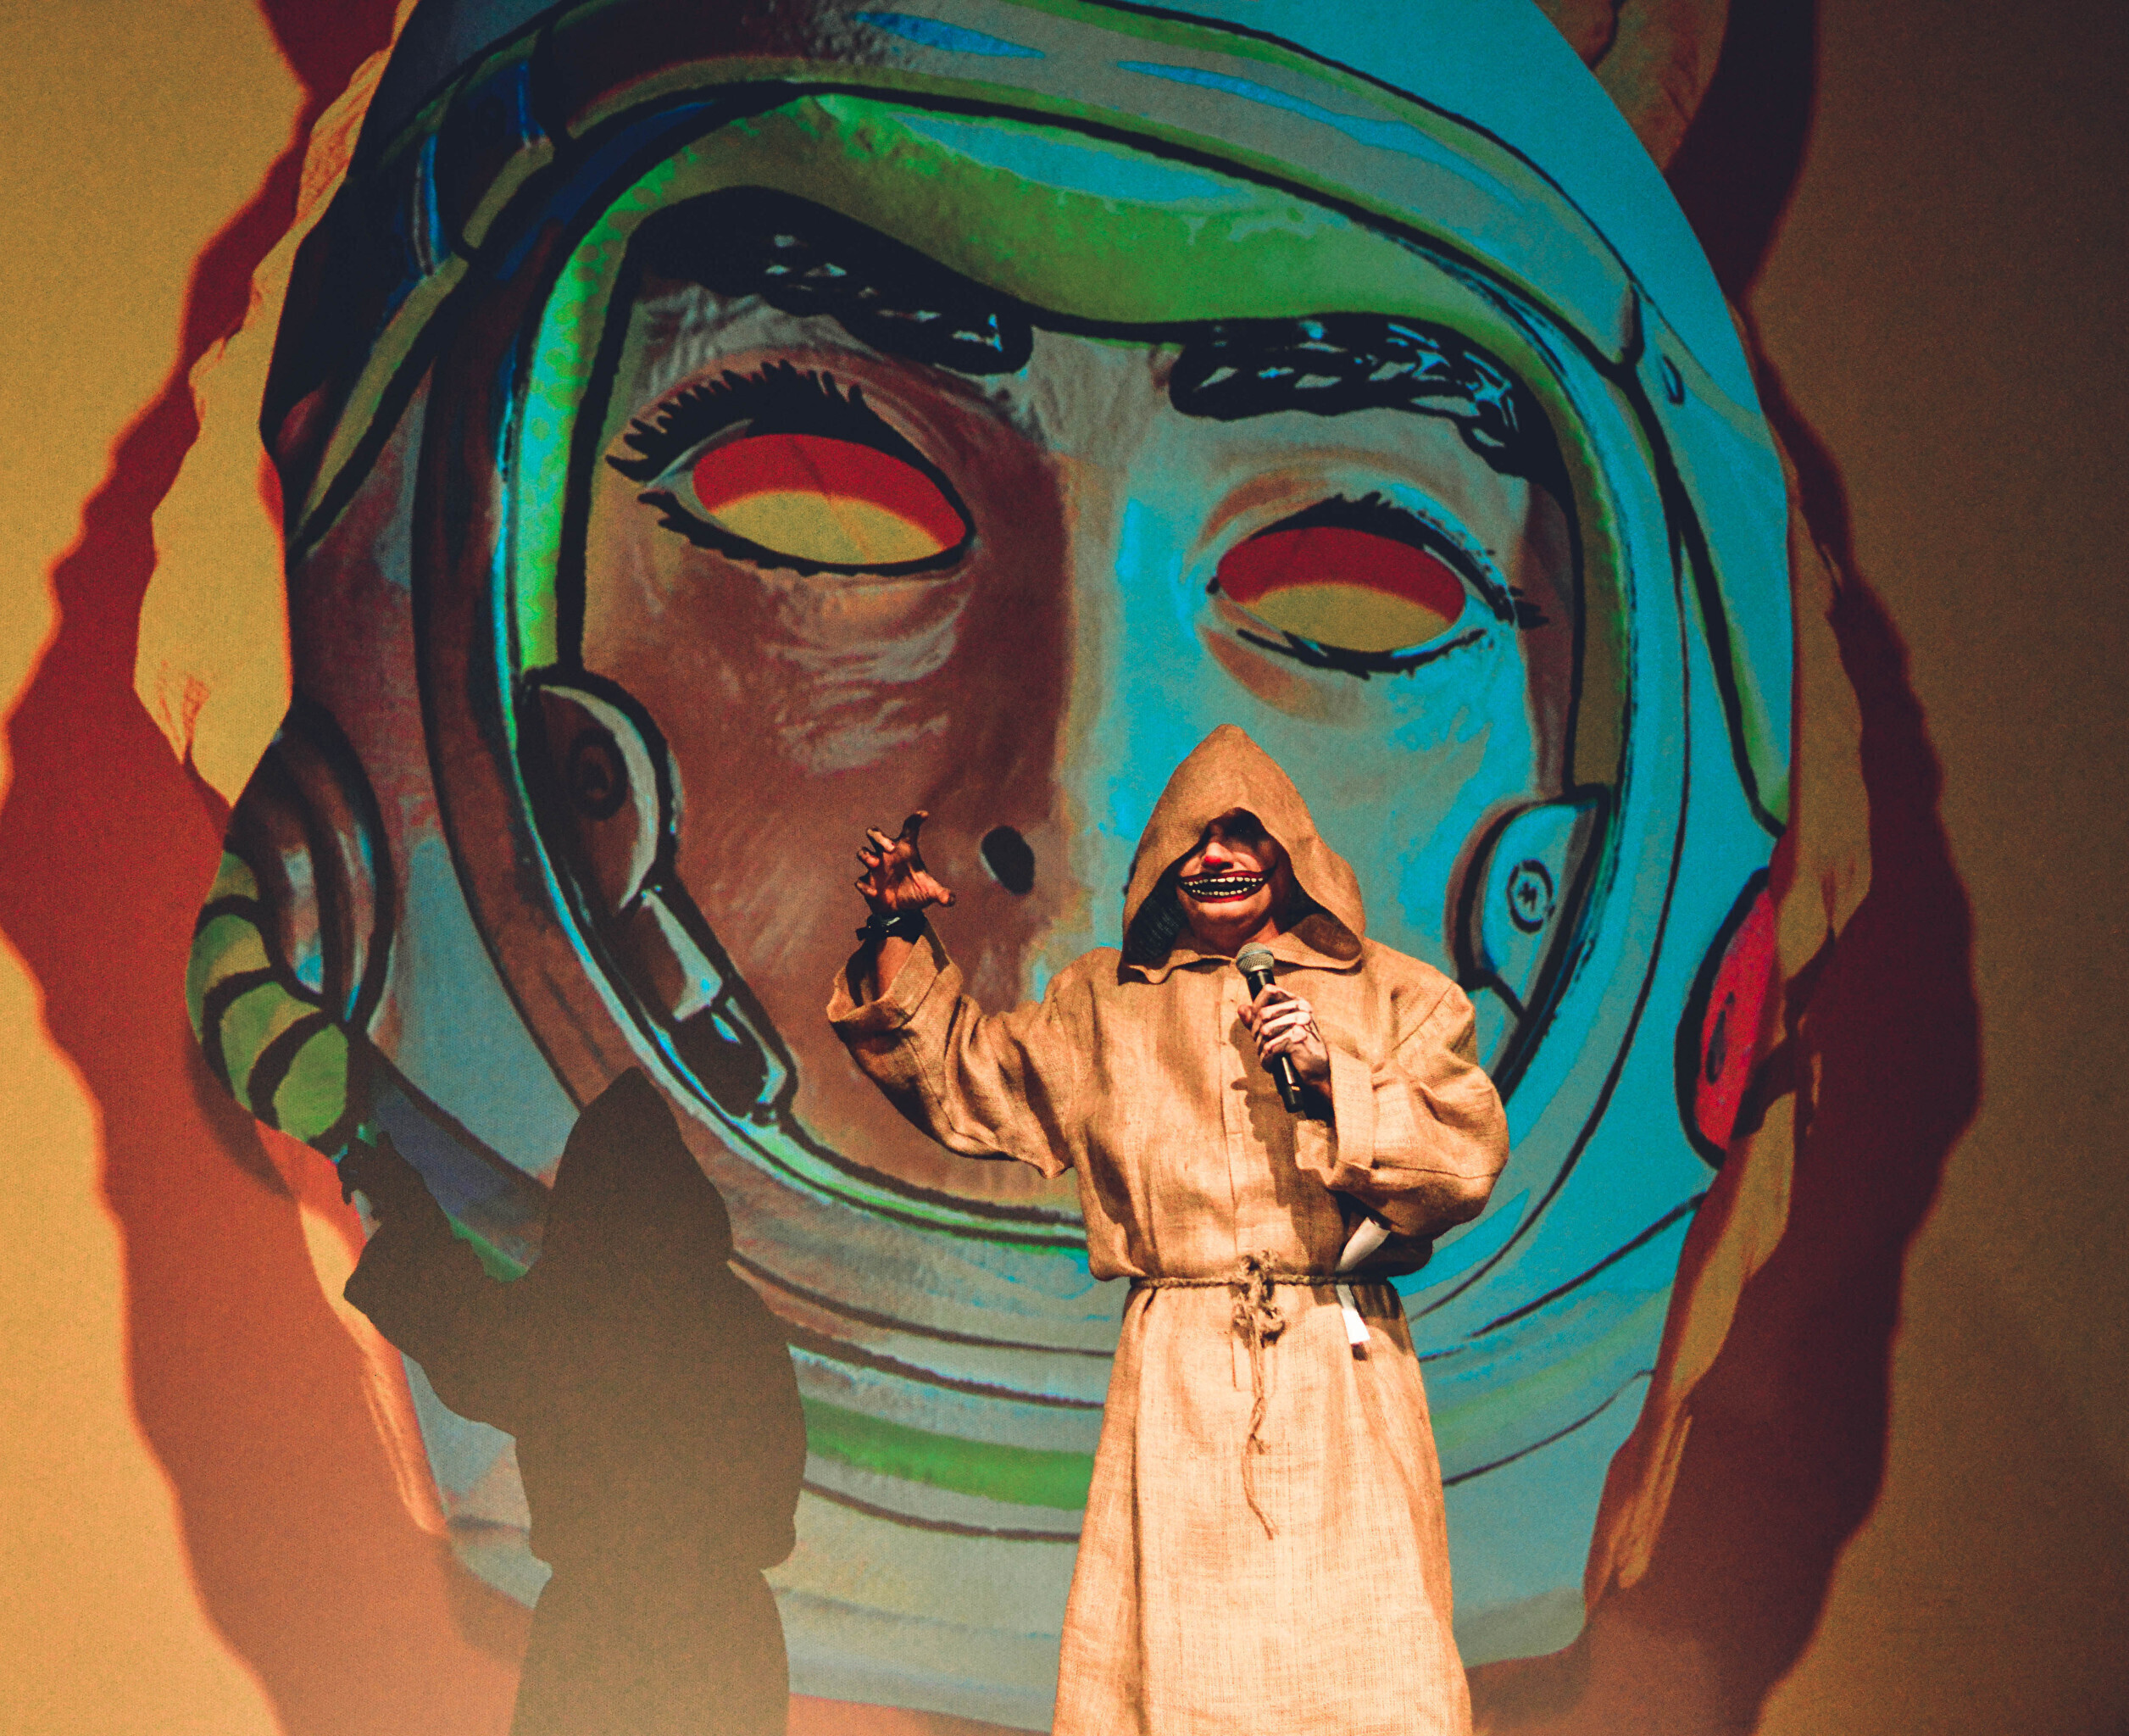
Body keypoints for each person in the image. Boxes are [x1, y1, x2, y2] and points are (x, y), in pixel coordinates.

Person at [829, 724, 1509, 1736]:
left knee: (1372, 1662)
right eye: (1194, 836)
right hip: (1180, 1376)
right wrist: (894, 930)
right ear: (1158, 859)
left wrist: (1333, 1074)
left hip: (1339, 1366)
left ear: (1289, 850)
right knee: (1174, 1675)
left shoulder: (1398, 995)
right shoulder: (1102, 1004)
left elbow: (1463, 1157)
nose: (1217, 855)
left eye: (1244, 833)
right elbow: (969, 1080)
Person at [339, 1071, 807, 1736]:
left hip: (601, 1642)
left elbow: (467, 1337)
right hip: (728, 1643)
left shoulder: (581, 1314)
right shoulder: (736, 1320)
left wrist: (405, 1207)